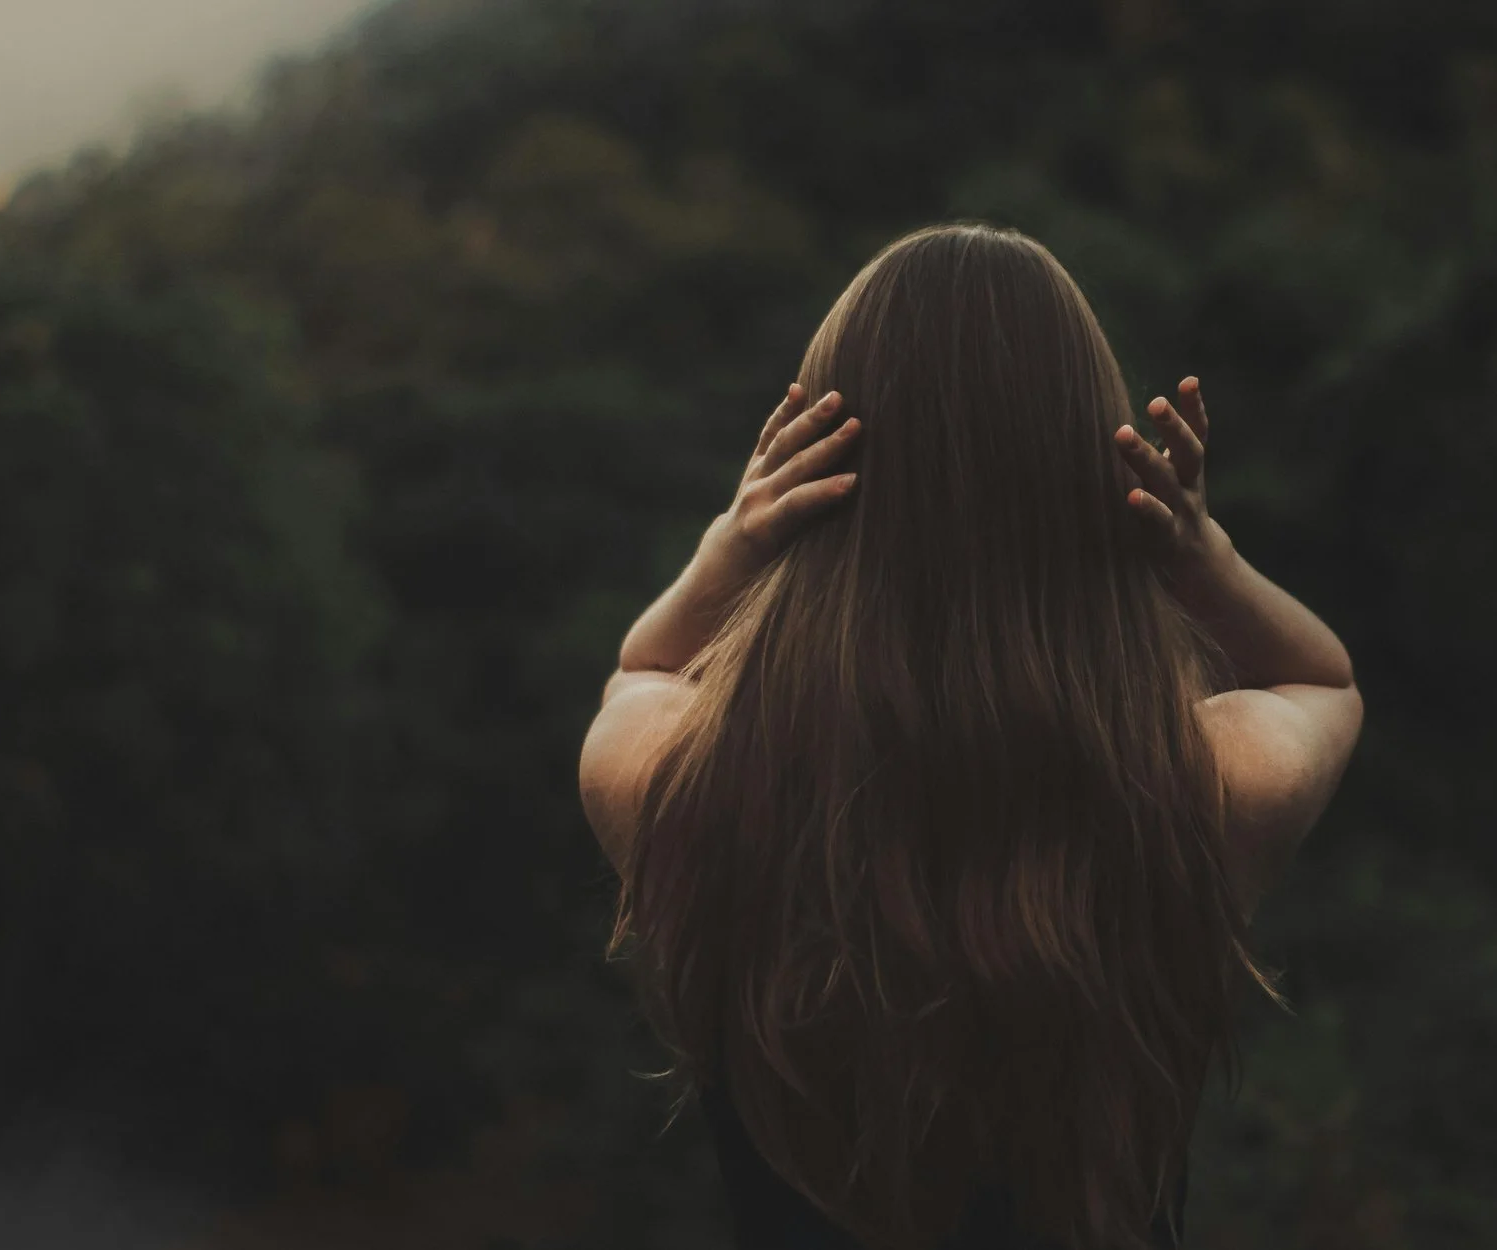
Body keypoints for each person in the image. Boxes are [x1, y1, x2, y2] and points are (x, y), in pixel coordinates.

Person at [578, 223, 1361, 1250]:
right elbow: (1321, 678)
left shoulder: (684, 784)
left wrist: (725, 551)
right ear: (1090, 482)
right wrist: (1200, 557)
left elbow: (640, 670)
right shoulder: (1202, 786)